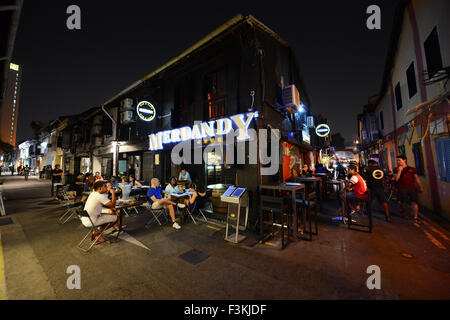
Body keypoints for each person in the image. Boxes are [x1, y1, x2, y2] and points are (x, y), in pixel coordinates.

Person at [81, 180, 120, 245]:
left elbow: (103, 200)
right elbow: (113, 205)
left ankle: (98, 234)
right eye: (105, 186)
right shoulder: (100, 196)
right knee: (116, 217)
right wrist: (113, 193)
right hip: (92, 221)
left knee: (109, 215)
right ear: (100, 188)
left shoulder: (93, 193)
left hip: (85, 219)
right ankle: (97, 233)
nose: (107, 188)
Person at [394, 155, 423, 224]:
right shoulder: (396, 169)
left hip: (412, 188)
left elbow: (416, 178)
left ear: (404, 160)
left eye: (399, 160)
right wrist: (400, 171)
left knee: (414, 202)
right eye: (397, 160)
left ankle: (415, 217)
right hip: (402, 188)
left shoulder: (412, 169)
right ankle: (404, 213)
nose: (398, 162)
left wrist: (420, 186)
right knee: (402, 202)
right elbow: (396, 179)